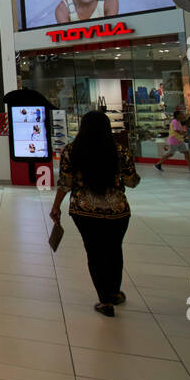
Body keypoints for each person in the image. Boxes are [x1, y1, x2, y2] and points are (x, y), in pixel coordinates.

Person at [49, 110, 140, 317]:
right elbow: (131, 181)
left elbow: (65, 183)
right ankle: (115, 292)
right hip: (117, 211)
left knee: (95, 253)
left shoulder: (72, 151)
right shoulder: (119, 151)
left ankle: (104, 299)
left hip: (84, 210)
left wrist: (56, 208)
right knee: (114, 250)